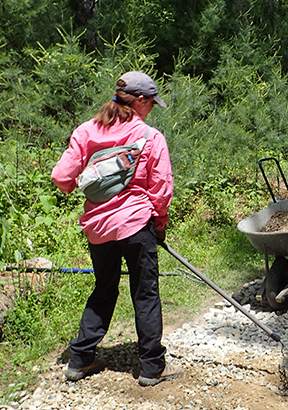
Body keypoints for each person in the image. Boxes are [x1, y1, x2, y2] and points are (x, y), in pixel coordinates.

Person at [51, 71, 181, 387]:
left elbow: (61, 178)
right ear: (139, 101)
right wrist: (159, 226)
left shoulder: (86, 132)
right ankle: (151, 367)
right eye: (150, 102)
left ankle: (79, 359)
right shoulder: (150, 137)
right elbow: (162, 189)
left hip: (98, 229)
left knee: (104, 287)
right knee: (145, 292)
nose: (151, 108)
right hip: (137, 225)